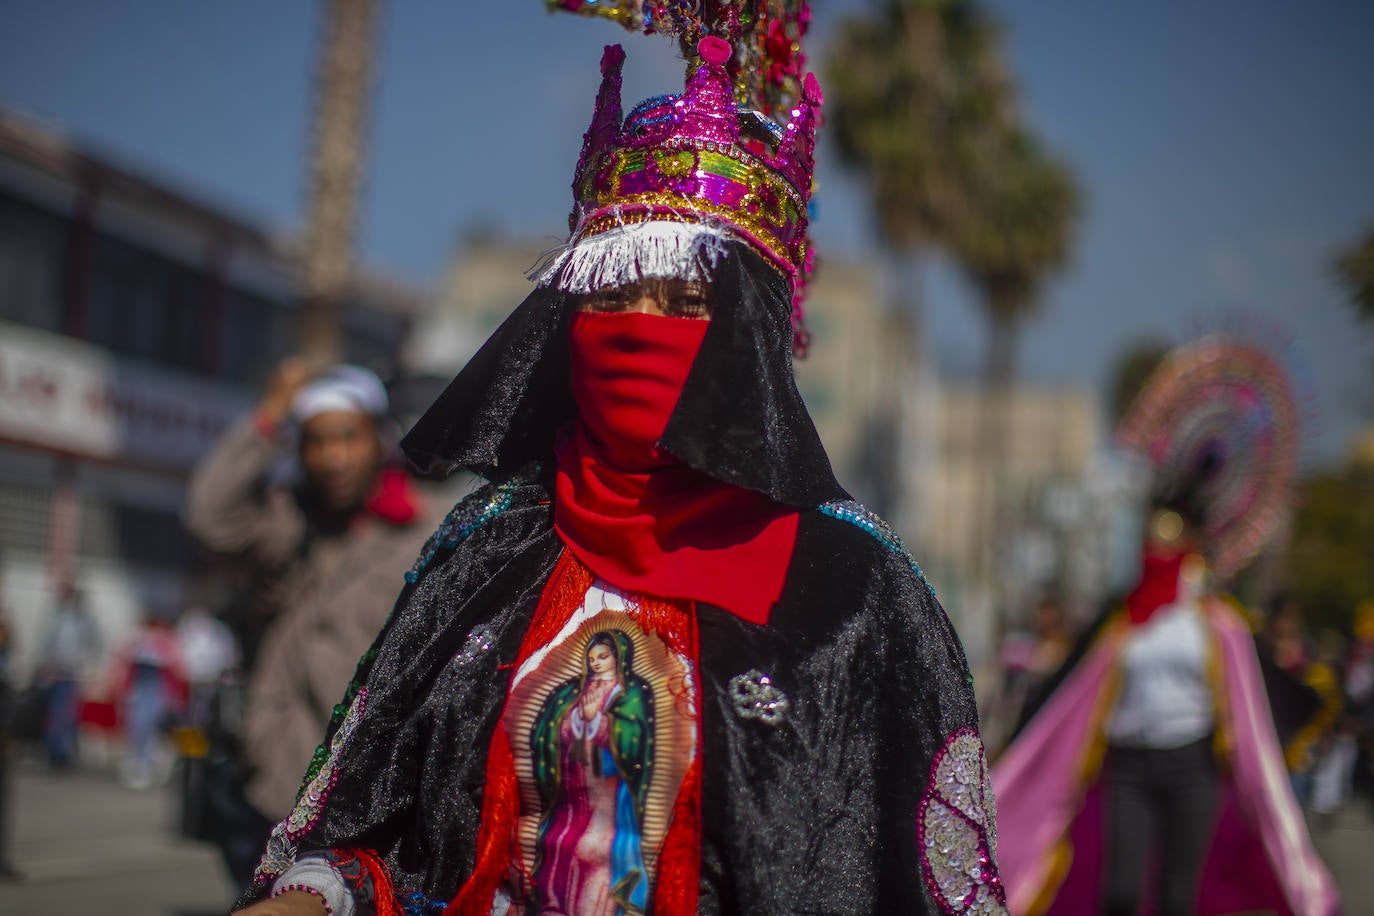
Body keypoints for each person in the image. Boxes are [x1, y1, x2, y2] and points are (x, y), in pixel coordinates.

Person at [232, 9, 1003, 916]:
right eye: (612, 295)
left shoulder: (856, 588)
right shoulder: (488, 546)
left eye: (682, 301)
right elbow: (372, 829)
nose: (640, 329)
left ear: (747, 337)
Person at [992, 335, 1339, 915]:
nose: (1157, 550)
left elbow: (1255, 695)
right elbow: (1068, 690)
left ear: (1190, 547)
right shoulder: (1121, 619)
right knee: (1122, 892)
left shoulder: (1217, 622)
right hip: (1128, 763)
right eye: (1150, 539)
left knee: (1179, 896)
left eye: (1168, 542)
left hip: (1192, 765)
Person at [186, 360, 437, 886]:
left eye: (348, 437)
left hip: (376, 789)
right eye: (316, 442)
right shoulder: (284, 522)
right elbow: (210, 517)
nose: (333, 458)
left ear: (379, 440)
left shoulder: (424, 528)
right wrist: (270, 416)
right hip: (278, 780)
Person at [39, 583, 101, 769]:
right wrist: (46, 666)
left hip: (73, 675)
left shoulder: (85, 621)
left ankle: (64, 752)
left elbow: (94, 645)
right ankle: (54, 752)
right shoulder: (57, 617)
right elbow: (47, 644)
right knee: (56, 714)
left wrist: (87, 666)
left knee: (68, 715)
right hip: (56, 673)